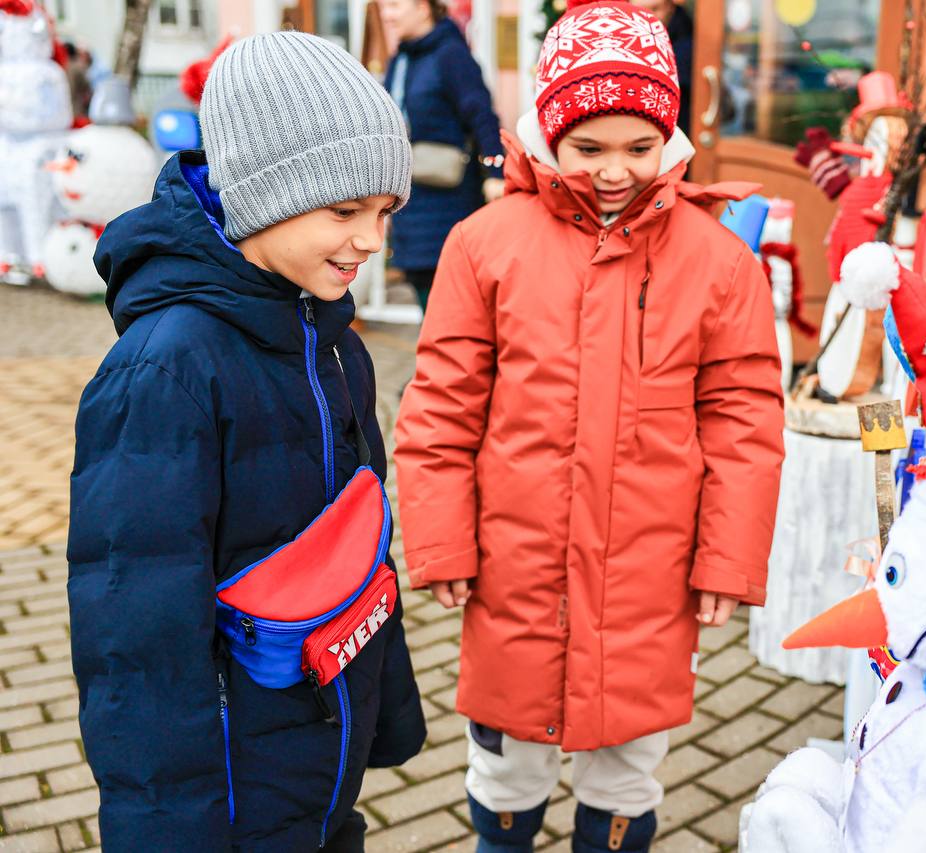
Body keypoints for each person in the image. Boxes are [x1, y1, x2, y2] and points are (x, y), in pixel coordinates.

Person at [393, 0, 785, 849]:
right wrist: (440, 537)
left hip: (650, 568)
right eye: (590, 147)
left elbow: (744, 416)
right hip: (514, 565)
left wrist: (728, 556)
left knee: (629, 764)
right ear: (547, 135)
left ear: (670, 138)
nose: (616, 171)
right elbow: (440, 404)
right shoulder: (484, 244)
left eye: (640, 148)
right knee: (506, 766)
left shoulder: (718, 260)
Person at [68, 32, 425, 852]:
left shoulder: (333, 338)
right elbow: (138, 640)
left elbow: (362, 546)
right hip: (228, 789)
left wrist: (387, 707)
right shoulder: (165, 372)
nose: (372, 241)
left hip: (321, 756)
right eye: (346, 211)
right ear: (265, 195)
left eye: (384, 213)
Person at [380, 0, 504, 312]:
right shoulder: (402, 59)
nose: (387, 14)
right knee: (427, 299)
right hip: (412, 202)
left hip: (449, 203)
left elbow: (483, 117)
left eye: (394, 5)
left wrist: (496, 174)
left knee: (451, 306)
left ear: (424, 7)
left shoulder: (451, 55)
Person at [631, 0, 694, 135]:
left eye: (655, 9)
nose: (647, 17)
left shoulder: (689, 42)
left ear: (670, 8)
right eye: (639, 11)